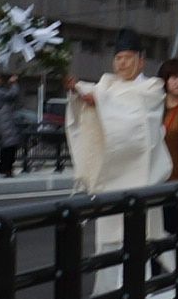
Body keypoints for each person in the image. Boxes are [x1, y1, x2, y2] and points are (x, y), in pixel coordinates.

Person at [66, 41, 170, 193]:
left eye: (128, 58)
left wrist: (99, 102)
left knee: (141, 213)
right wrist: (76, 90)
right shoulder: (107, 83)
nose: (122, 62)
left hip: (139, 166)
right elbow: (93, 92)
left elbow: (133, 110)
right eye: (118, 58)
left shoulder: (153, 87)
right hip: (112, 167)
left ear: (141, 62)